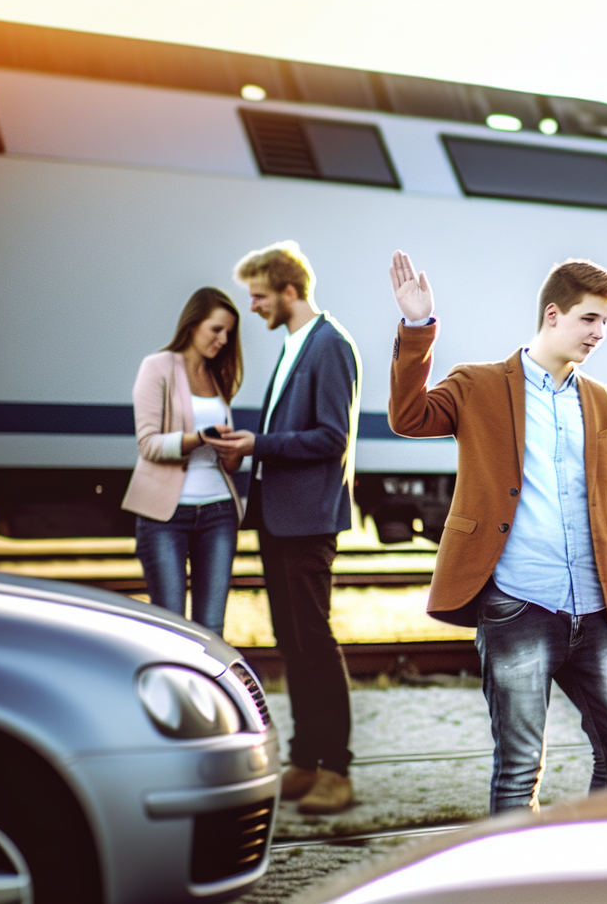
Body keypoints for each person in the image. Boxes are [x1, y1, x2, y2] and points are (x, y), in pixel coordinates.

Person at [386, 249, 607, 813]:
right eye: (589, 318)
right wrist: (417, 325)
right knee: (520, 768)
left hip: (597, 613)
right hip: (518, 605)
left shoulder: (599, 400)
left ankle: (591, 858)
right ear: (553, 314)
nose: (599, 332)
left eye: (606, 322)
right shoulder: (478, 384)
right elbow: (409, 417)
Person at [206, 241, 361, 815]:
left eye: (259, 296)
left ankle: (336, 770)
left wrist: (258, 444)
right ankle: (304, 761)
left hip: (306, 520)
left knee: (314, 643)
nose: (253, 307)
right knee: (293, 645)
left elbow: (331, 437)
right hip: (279, 516)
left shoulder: (329, 344)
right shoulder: (297, 342)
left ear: (289, 291)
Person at [122, 287, 244, 635]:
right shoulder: (157, 367)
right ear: (192, 325)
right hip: (166, 517)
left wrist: (233, 451)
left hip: (219, 512)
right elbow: (148, 444)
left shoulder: (217, 375)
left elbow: (226, 463)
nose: (223, 340)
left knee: (212, 628)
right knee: (170, 627)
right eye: (216, 329)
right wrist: (199, 438)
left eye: (228, 333)